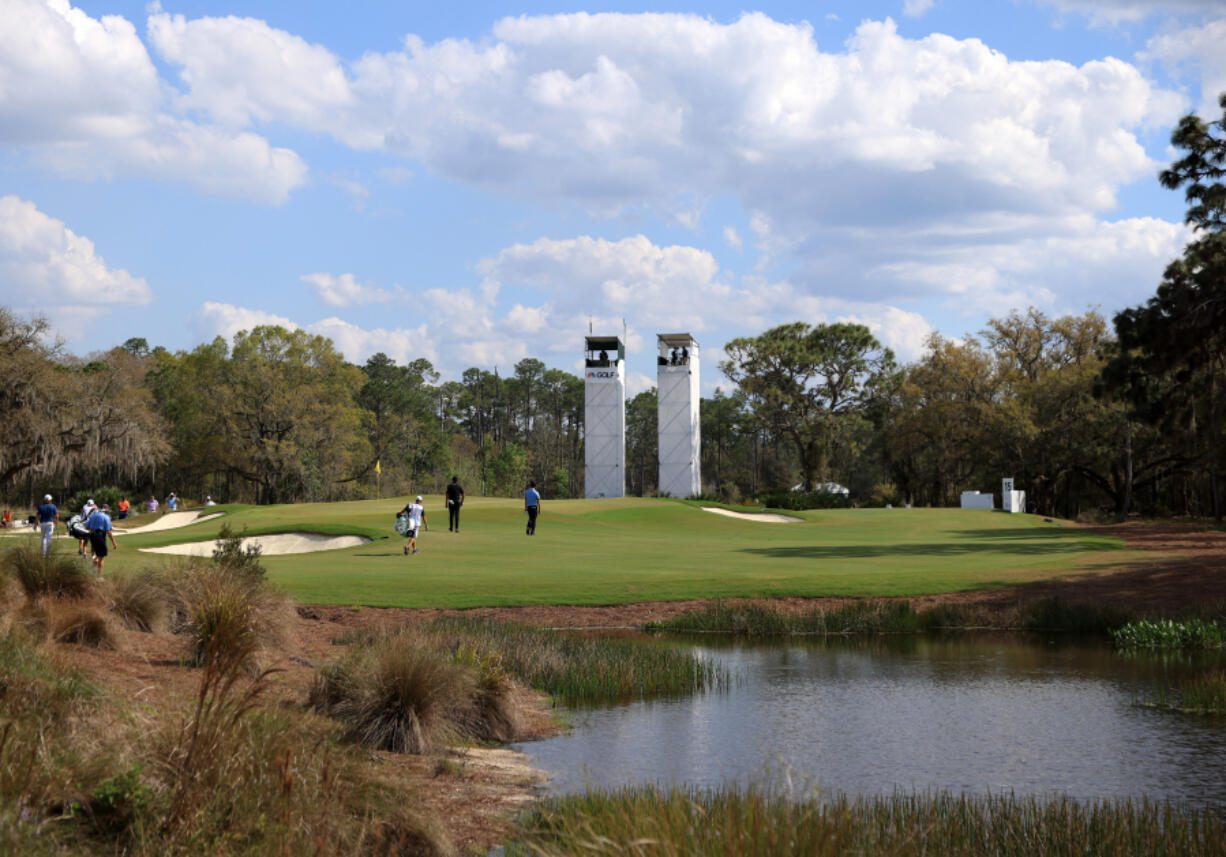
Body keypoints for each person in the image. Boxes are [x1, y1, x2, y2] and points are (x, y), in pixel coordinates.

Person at [85, 503, 118, 577]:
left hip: (92, 536)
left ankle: (92, 567)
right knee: (101, 557)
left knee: (95, 553)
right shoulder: (106, 517)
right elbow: (108, 531)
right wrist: (114, 543)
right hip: (100, 536)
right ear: (106, 510)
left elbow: (86, 527)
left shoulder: (93, 515)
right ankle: (99, 577)